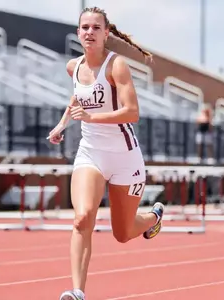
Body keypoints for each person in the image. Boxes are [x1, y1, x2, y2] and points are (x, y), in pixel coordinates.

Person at [46, 7, 164, 300]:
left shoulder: (116, 65)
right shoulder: (73, 67)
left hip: (124, 157)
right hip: (91, 154)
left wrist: (91, 117)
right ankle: (77, 292)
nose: (89, 32)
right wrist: (63, 124)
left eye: (96, 28)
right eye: (84, 27)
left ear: (106, 33)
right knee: (82, 217)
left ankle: (153, 217)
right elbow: (77, 96)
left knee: (123, 233)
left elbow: (132, 112)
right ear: (78, 33)